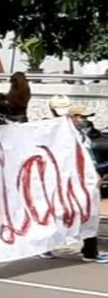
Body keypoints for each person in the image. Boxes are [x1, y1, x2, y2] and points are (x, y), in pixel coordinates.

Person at [39, 103, 108, 263]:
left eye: (86, 117)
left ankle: (90, 251)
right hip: (72, 182)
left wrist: (96, 173)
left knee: (90, 214)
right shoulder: (64, 136)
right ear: (72, 117)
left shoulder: (81, 135)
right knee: (64, 213)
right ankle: (47, 246)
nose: (85, 120)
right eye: (81, 117)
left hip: (87, 180)